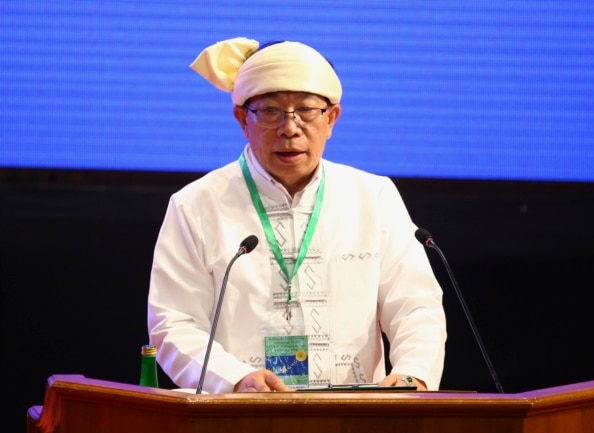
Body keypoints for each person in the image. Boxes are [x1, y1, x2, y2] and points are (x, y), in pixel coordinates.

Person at [147, 37, 446, 393]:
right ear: (243, 119)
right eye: (270, 111)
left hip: (356, 416)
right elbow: (175, 323)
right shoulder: (196, 204)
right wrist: (235, 379)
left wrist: (414, 372)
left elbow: (416, 306)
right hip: (241, 415)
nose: (290, 128)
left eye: (307, 110)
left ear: (331, 119)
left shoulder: (373, 197)